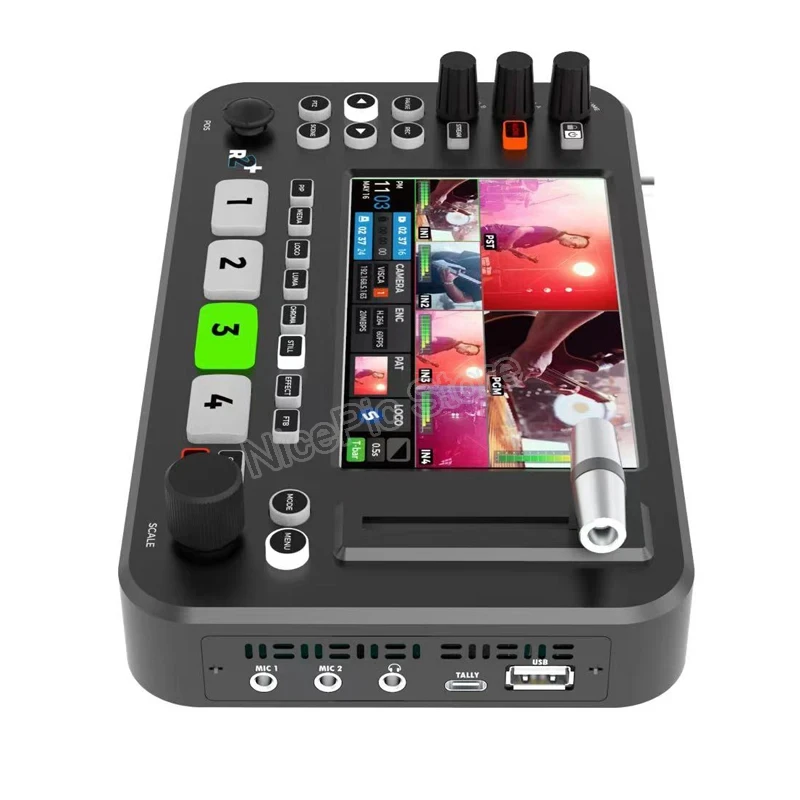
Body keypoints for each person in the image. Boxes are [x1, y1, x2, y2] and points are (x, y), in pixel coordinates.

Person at [483, 223, 590, 261]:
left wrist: (516, 252)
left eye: (574, 248)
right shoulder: (551, 232)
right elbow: (522, 230)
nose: (571, 247)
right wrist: (509, 244)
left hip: (495, 237)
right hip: (493, 233)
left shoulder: (550, 238)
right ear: (575, 238)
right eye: (574, 245)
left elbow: (516, 241)